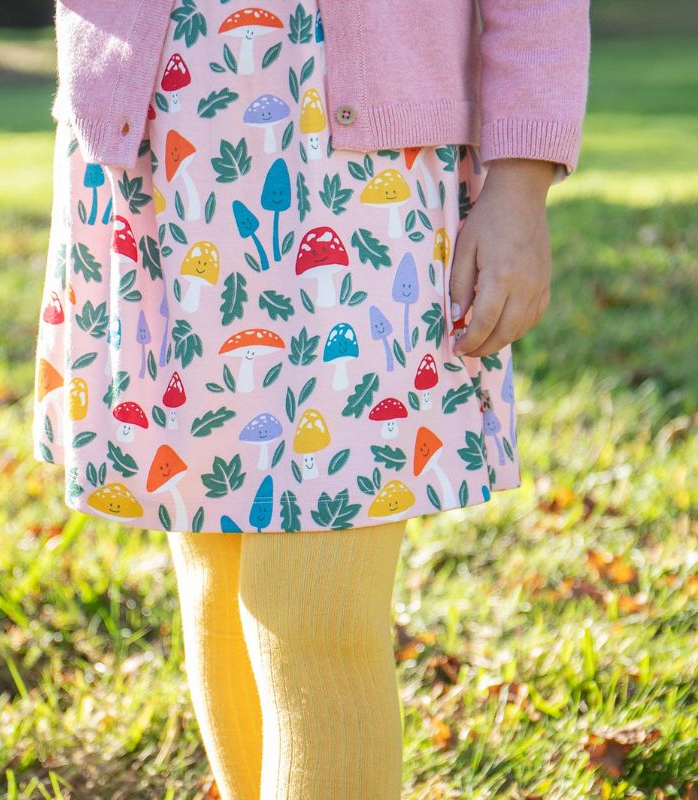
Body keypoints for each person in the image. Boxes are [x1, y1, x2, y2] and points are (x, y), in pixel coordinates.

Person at [33, 0, 590, 796]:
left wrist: (521, 183)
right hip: (155, 138)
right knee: (214, 567)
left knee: (309, 607)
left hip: (364, 165)